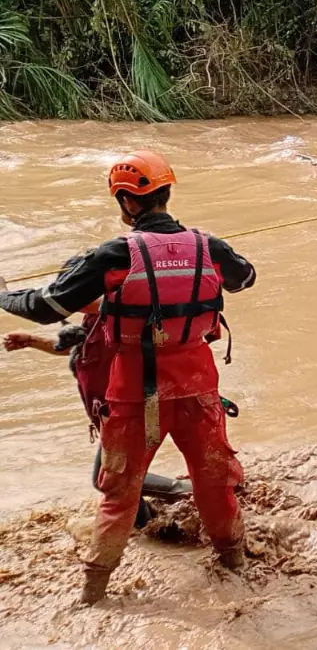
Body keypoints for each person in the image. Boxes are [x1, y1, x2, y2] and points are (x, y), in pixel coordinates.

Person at [0, 150, 257, 605]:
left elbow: (45, 307)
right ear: (166, 192)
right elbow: (245, 279)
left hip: (136, 391)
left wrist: (4, 296)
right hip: (199, 386)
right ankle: (234, 564)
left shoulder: (114, 254)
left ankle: (93, 595)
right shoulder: (208, 246)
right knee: (213, 480)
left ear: (126, 201)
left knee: (119, 493)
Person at [3, 318, 193, 530]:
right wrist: (32, 341)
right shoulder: (97, 319)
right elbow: (83, 348)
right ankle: (161, 518)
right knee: (117, 478)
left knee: (111, 479)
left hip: (126, 413)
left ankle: (167, 516)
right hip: (114, 414)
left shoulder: (116, 316)